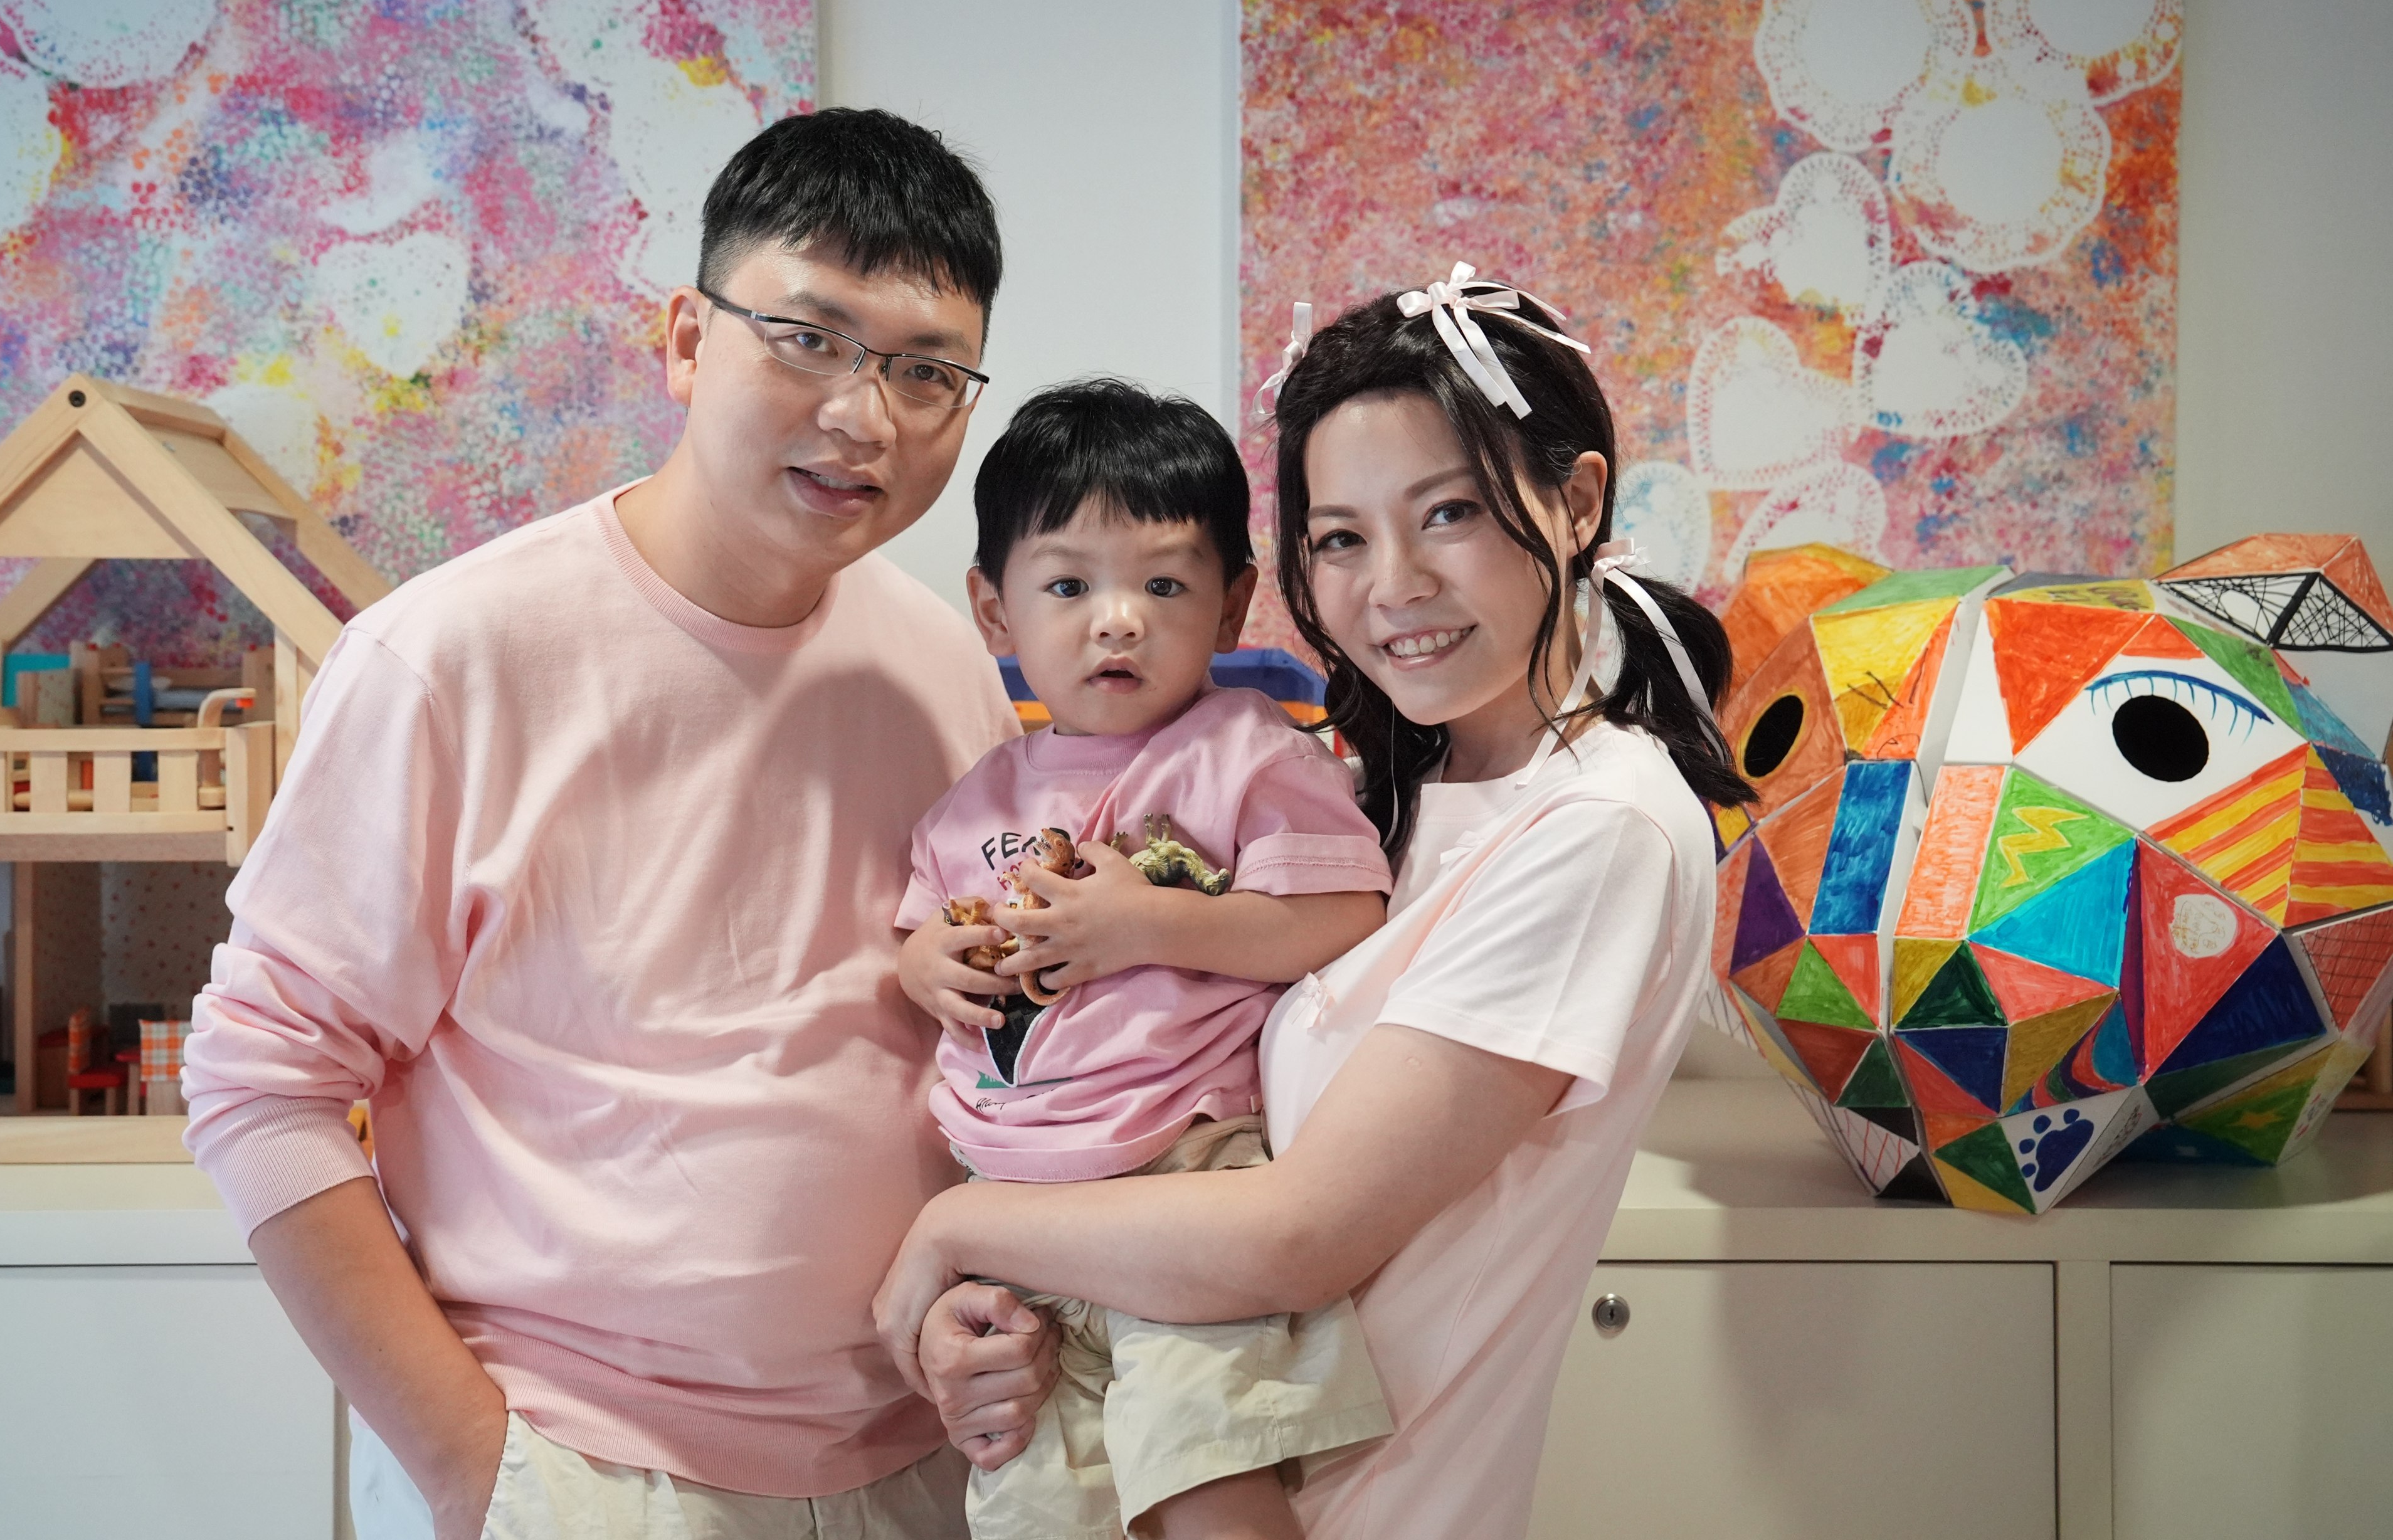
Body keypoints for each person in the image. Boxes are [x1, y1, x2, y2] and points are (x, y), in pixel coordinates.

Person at [182, 108, 1027, 1540]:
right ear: (688, 341)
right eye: (808, 339)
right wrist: (471, 1463)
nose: (864, 416)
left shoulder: (942, 662)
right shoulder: (448, 658)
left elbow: (987, 1035)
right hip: (574, 1464)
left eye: (926, 371)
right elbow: (261, 1083)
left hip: (916, 1455)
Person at [875, 265, 1757, 1539]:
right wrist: (1006, 1307)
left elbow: (1298, 1235)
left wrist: (956, 1228)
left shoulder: (1597, 828)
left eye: (1448, 513)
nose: (1392, 583)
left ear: (1575, 504)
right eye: (1341, 537)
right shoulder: (1395, 788)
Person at [895, 381, 1395, 1540]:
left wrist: (1145, 925)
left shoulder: (1246, 754)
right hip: (1009, 1213)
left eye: (1164, 585)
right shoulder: (976, 797)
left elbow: (1341, 915)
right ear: (995, 610)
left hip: (1184, 1181)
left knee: (1209, 1469)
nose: (1117, 619)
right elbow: (917, 937)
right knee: (1038, 1500)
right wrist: (926, 963)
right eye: (1069, 585)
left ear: (1231, 607)